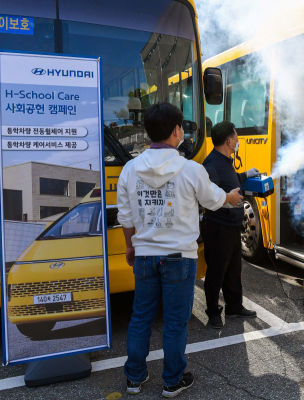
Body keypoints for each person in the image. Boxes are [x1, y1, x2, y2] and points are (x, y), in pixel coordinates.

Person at [117, 103, 243, 398]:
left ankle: (134, 378)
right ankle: (172, 381)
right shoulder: (190, 169)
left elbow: (124, 217)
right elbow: (215, 200)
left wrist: (130, 246)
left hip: (145, 255)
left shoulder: (130, 169)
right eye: (181, 127)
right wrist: (232, 197)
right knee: (175, 323)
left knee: (140, 318)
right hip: (179, 259)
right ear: (176, 131)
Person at [202, 121, 261, 329]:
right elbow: (208, 196)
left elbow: (232, 180)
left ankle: (234, 307)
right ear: (229, 141)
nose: (238, 140)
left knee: (234, 269)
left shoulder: (225, 160)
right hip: (218, 227)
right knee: (217, 271)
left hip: (232, 226)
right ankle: (213, 312)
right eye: (236, 137)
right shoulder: (210, 165)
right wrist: (229, 199)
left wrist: (246, 175)